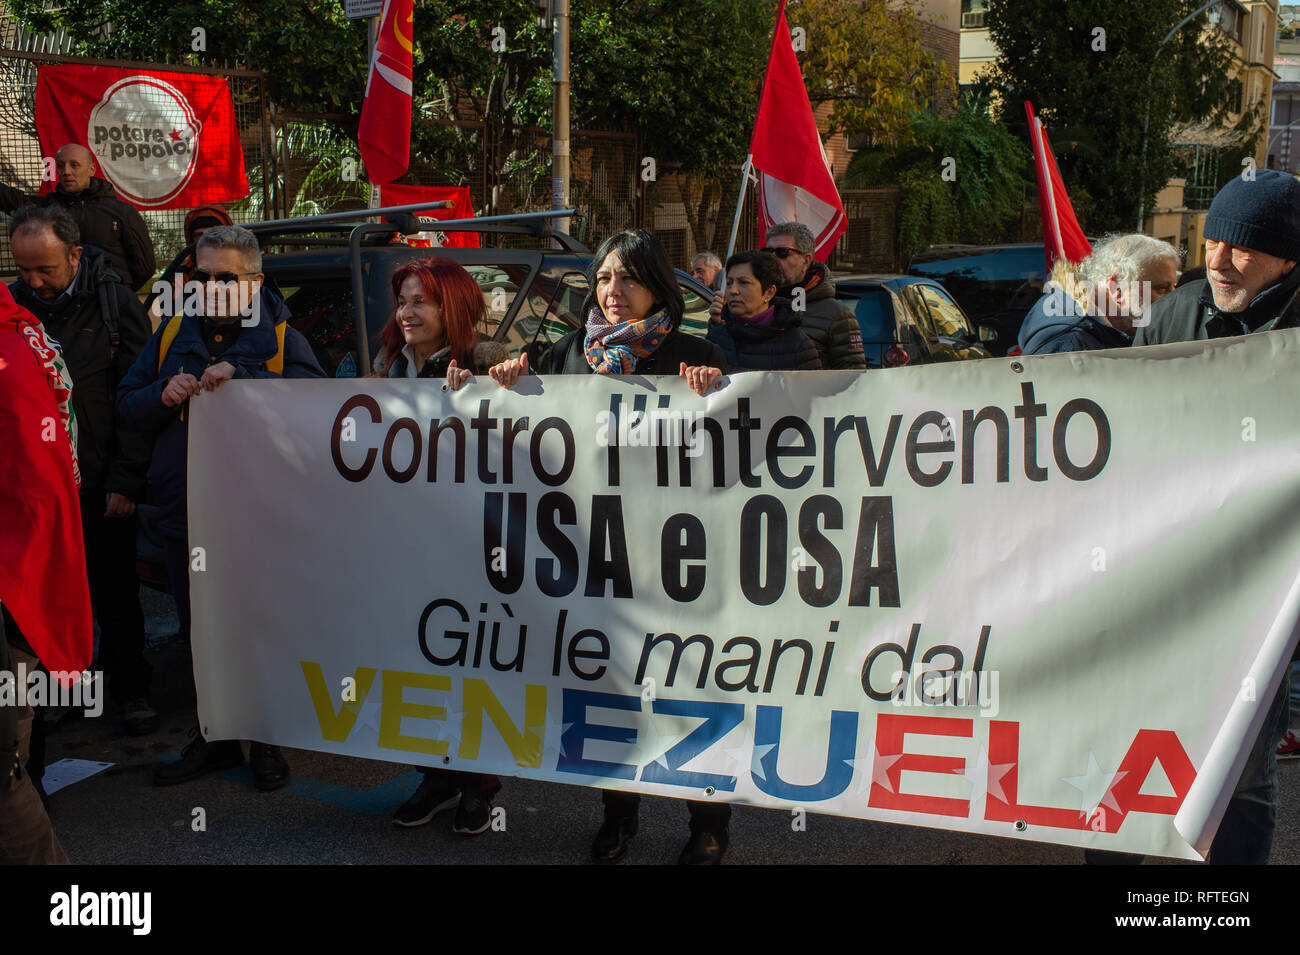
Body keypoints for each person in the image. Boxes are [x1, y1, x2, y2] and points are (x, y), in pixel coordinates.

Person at [484, 229, 730, 863]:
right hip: (599, 556)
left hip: (677, 557)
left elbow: (743, 433)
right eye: (602, 278)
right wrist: (506, 380)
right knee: (613, 688)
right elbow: (523, 424)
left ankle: (708, 822)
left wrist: (719, 388)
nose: (613, 291)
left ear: (657, 286)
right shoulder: (566, 356)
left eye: (628, 278)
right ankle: (619, 815)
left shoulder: (696, 353)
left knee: (690, 685)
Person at [116, 224, 325, 791]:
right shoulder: (170, 334)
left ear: (254, 282)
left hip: (259, 520)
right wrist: (160, 395)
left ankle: (266, 740)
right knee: (200, 629)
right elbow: (126, 405)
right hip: (187, 514)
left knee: (258, 626)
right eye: (201, 277)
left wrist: (248, 378)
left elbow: (319, 413)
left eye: (225, 279)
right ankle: (215, 736)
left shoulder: (282, 339)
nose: (211, 288)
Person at [1133, 167, 1299, 864]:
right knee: (1127, 738)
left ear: (1288, 260)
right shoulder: (1172, 314)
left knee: (1241, 768)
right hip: (1161, 571)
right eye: (1213, 241)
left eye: (1243, 248)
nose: (1220, 260)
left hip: (1262, 590)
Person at [8, 205, 156, 739]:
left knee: (114, 591)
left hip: (100, 479)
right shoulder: (14, 310)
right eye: (23, 270)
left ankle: (131, 688)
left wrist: (125, 480)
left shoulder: (114, 303)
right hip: (41, 490)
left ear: (74, 255)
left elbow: (137, 400)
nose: (33, 282)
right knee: (46, 598)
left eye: (45, 269)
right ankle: (63, 692)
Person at [374, 257, 507, 834]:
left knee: (469, 660)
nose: (407, 312)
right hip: (408, 537)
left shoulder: (486, 357)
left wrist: (491, 387)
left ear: (449, 306)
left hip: (472, 538)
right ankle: (435, 774)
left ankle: (478, 783)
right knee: (417, 658)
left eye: (420, 301)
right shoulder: (386, 362)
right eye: (402, 300)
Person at [0, 282, 92, 863]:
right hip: (27, 580)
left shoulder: (10, 352)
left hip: (15, 585)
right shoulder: (21, 334)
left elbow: (35, 490)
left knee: (5, 773)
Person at [0, 144, 155, 291]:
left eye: (74, 165)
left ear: (91, 169)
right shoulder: (47, 209)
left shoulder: (122, 212)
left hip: (110, 301)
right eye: (61, 166)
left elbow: (145, 266)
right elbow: (10, 199)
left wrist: (119, 292)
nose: (66, 171)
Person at [711, 222, 865, 370]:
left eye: (782, 253)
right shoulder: (752, 306)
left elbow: (852, 377)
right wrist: (720, 322)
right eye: (768, 252)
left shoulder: (836, 314)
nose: (773, 259)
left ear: (806, 260)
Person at [1018, 234, 1180, 355]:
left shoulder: (1079, 332)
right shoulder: (1069, 346)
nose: (1174, 298)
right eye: (1162, 288)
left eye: (1174, 287)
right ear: (1117, 288)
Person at [703, 249, 821, 371]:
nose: (733, 290)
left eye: (744, 282)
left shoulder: (798, 345)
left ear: (769, 293)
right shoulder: (717, 337)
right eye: (729, 283)